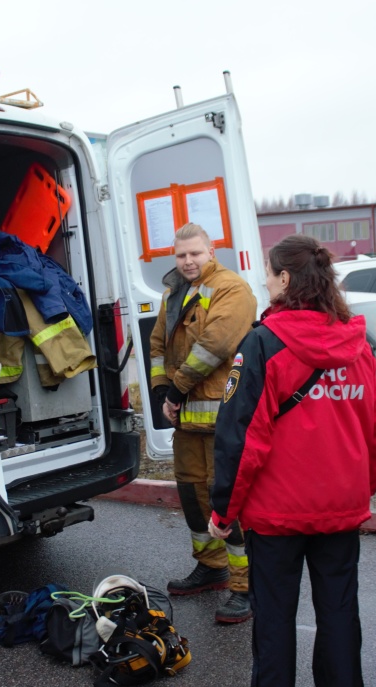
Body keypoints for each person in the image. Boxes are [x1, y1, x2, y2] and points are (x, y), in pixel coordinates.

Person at [208, 234, 376, 687]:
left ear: (285, 280)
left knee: (274, 623)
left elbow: (241, 438)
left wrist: (224, 510)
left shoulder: (264, 343)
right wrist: (360, 487)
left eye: (268, 273)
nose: (266, 281)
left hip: (276, 515)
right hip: (338, 510)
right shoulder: (358, 345)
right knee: (339, 620)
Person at [150, 223, 257, 622]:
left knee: (224, 499)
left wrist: (176, 391)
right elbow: (158, 343)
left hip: (222, 419)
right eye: (181, 255)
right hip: (185, 424)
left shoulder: (232, 289)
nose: (188, 261)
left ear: (211, 251)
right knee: (193, 496)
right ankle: (211, 567)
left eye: (195, 253)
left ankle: (246, 586)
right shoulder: (174, 291)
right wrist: (162, 390)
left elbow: (215, 347)